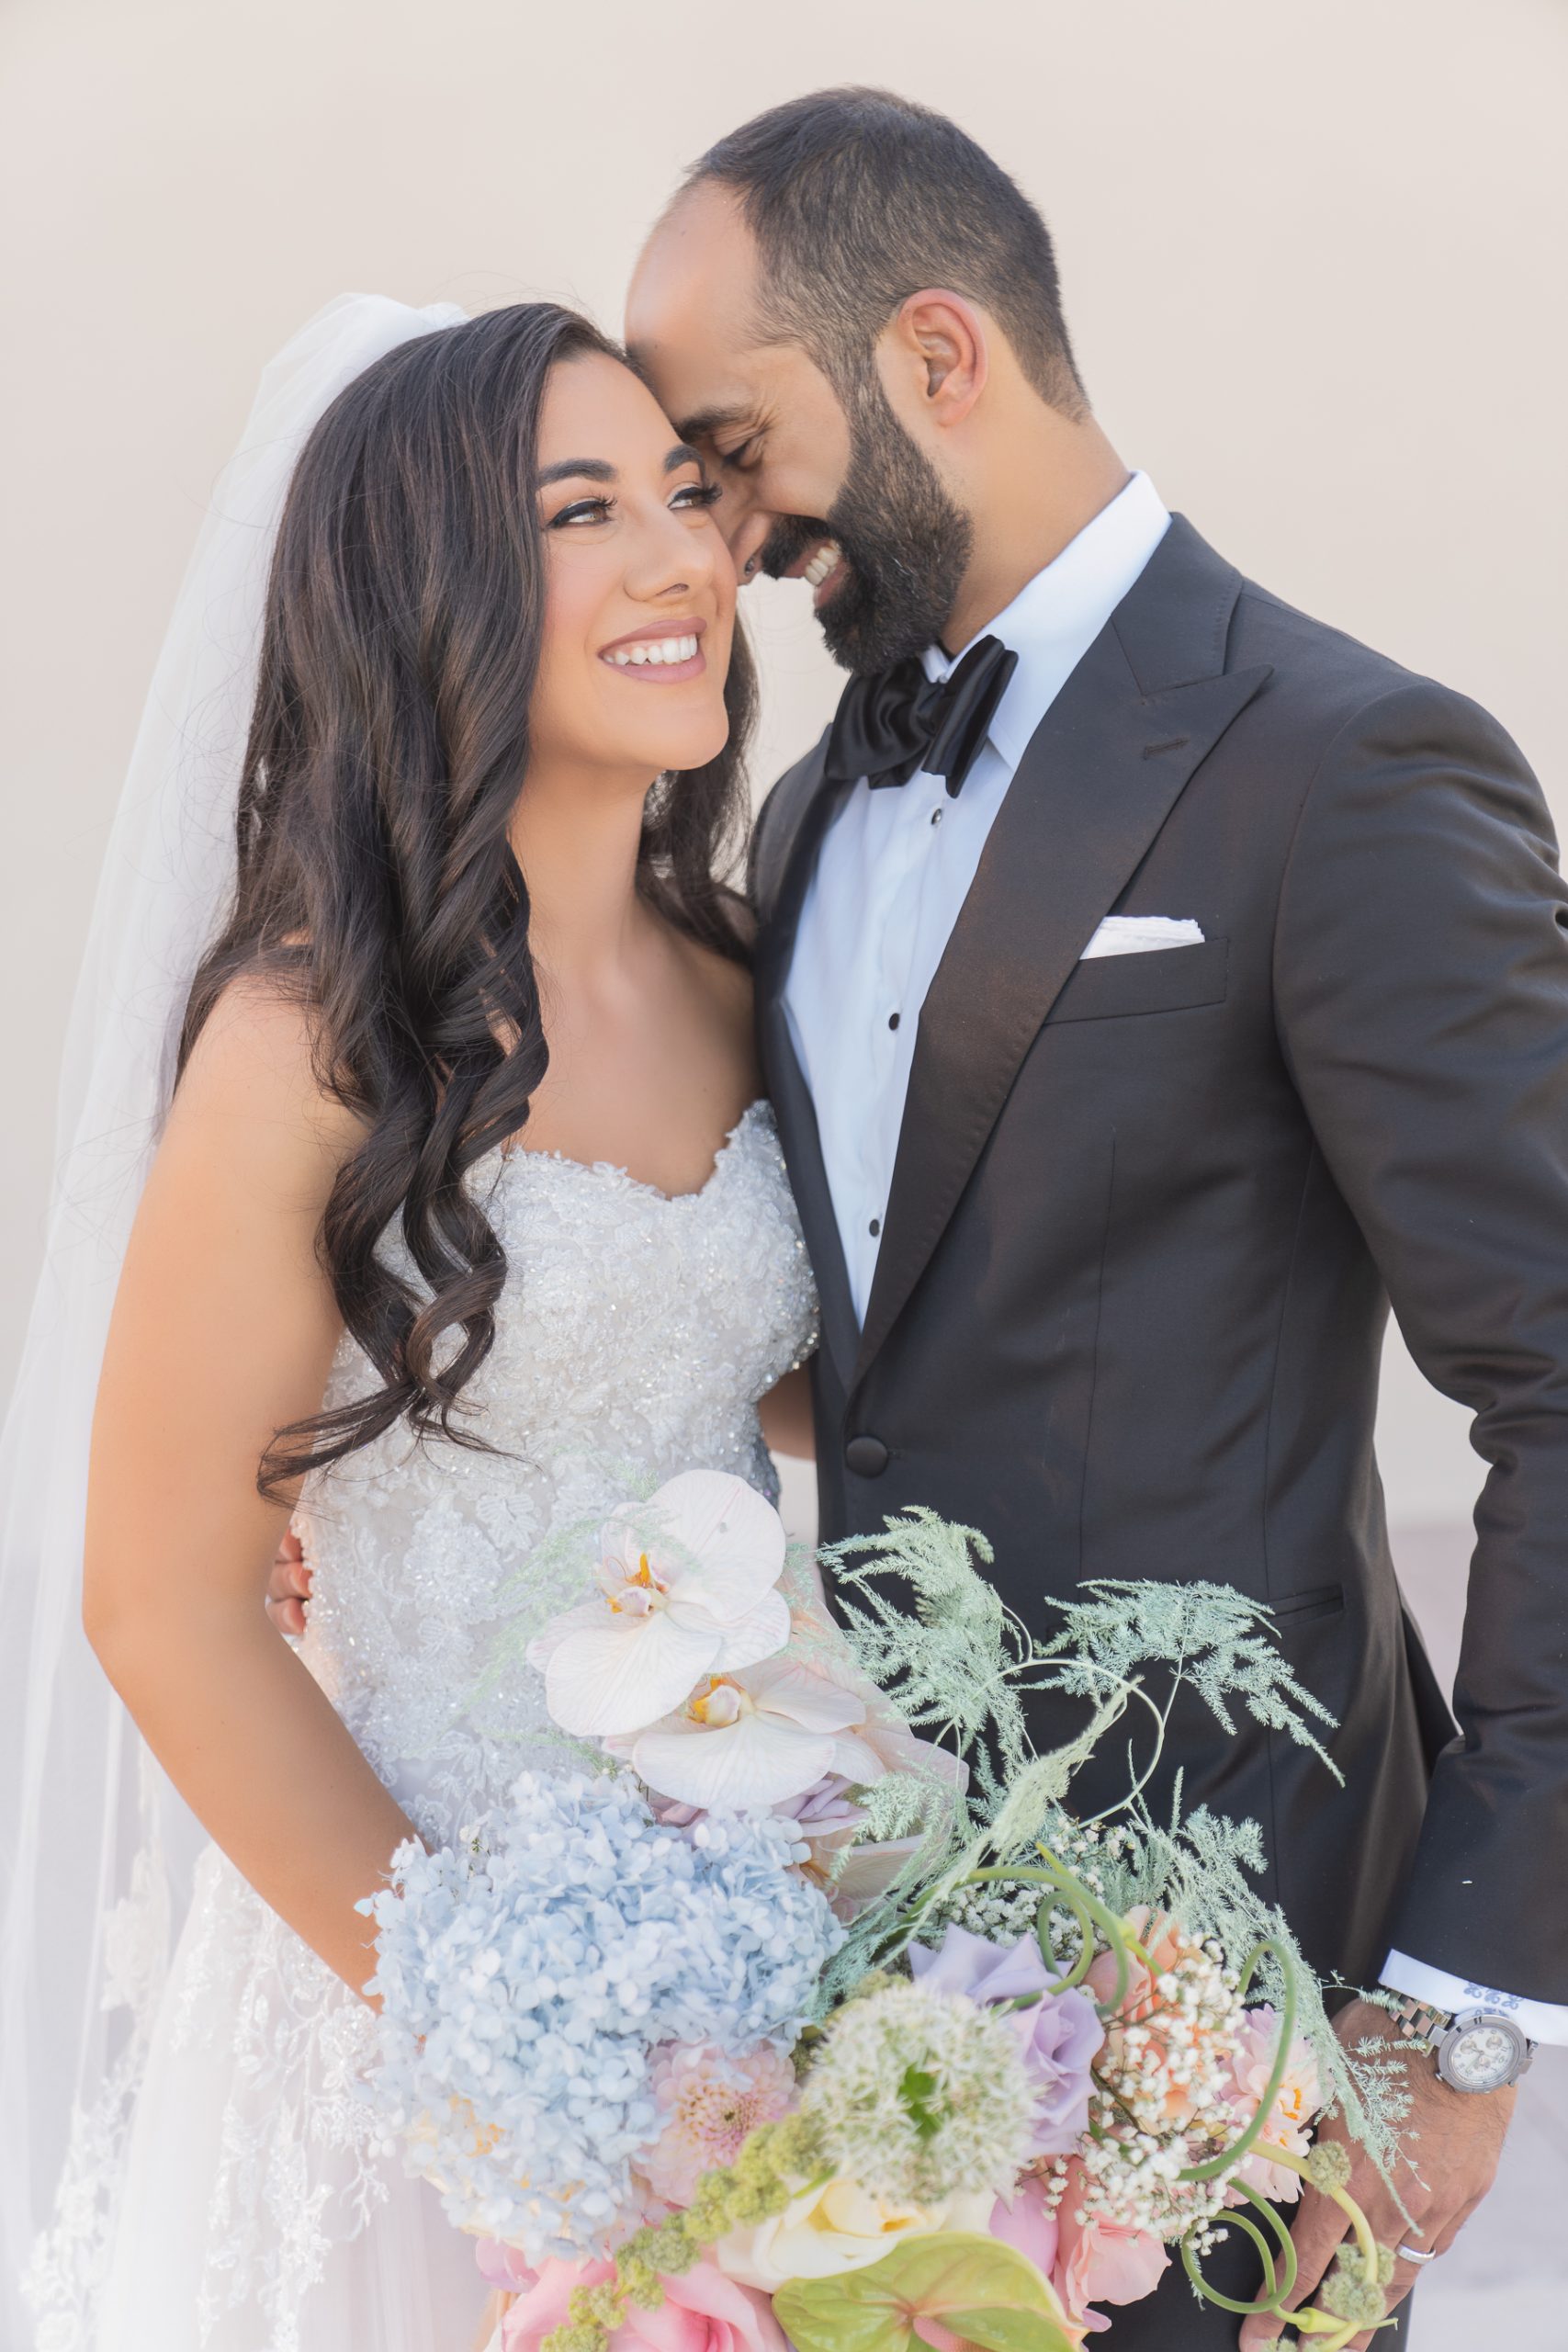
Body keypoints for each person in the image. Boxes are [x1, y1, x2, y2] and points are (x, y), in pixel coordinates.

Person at [614, 85, 1568, 2348]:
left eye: (732, 448)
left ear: (936, 354)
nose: (722, 534)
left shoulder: (1349, 764)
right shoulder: (807, 813)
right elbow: (868, 1328)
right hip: (839, 2001)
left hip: (1235, 2006)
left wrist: (1458, 2008)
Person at [7, 296, 818, 2351]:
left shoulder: (743, 972)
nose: (680, 562)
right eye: (581, 511)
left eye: (685, 497)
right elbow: (160, 1596)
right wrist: (485, 2008)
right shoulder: (311, 1038)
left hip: (760, 1956)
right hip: (421, 1990)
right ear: (432, 586)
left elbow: (802, 1389)